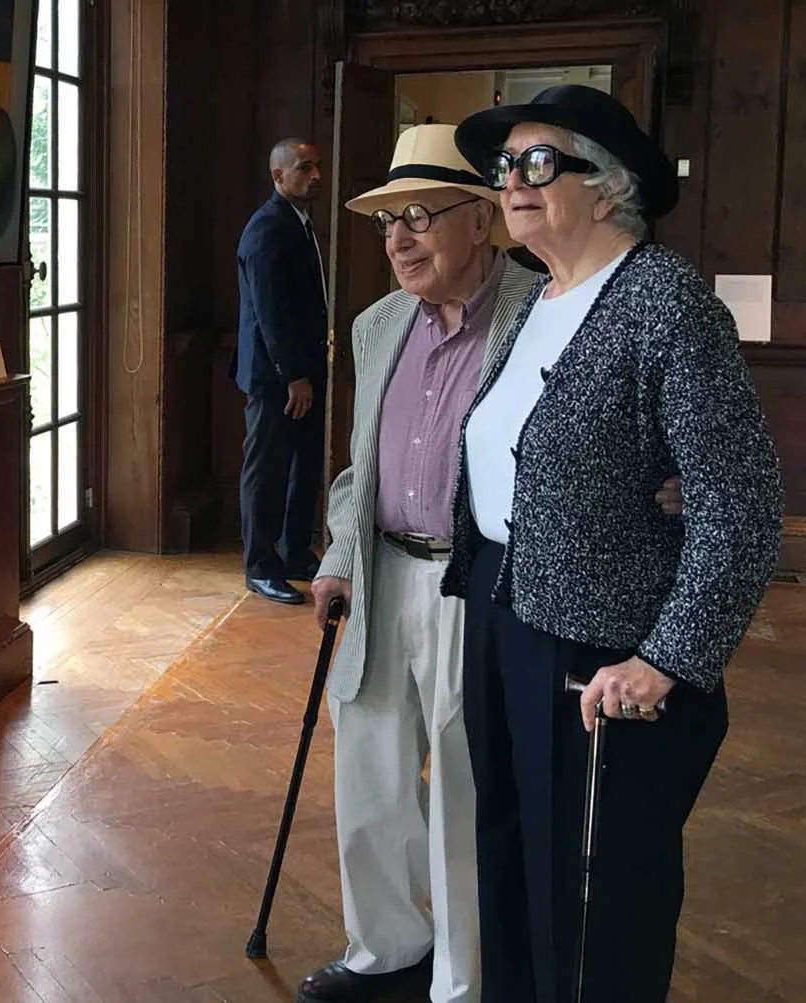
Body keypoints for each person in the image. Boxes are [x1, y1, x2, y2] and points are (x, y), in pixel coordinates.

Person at [299, 124, 683, 1003]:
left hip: (481, 582)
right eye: (387, 222)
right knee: (370, 770)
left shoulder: (539, 306)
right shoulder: (376, 324)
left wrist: (655, 487)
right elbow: (364, 463)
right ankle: (384, 949)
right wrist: (339, 556)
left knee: (469, 781)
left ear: (482, 221)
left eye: (421, 216)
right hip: (384, 574)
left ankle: (463, 977)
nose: (399, 239)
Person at [444, 85, 782, 1003]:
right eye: (503, 166)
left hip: (601, 657)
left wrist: (666, 659)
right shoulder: (536, 299)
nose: (511, 181)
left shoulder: (668, 304)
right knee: (511, 858)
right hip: (505, 615)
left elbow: (741, 505)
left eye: (538, 162)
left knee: (600, 906)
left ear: (609, 188)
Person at [234, 138, 329, 605]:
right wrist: (293, 375)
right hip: (277, 379)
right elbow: (269, 313)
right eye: (304, 167)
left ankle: (293, 552)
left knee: (304, 466)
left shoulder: (300, 223)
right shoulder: (267, 228)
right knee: (267, 470)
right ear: (277, 176)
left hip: (304, 373)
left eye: (317, 167)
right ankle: (260, 566)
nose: (316, 175)